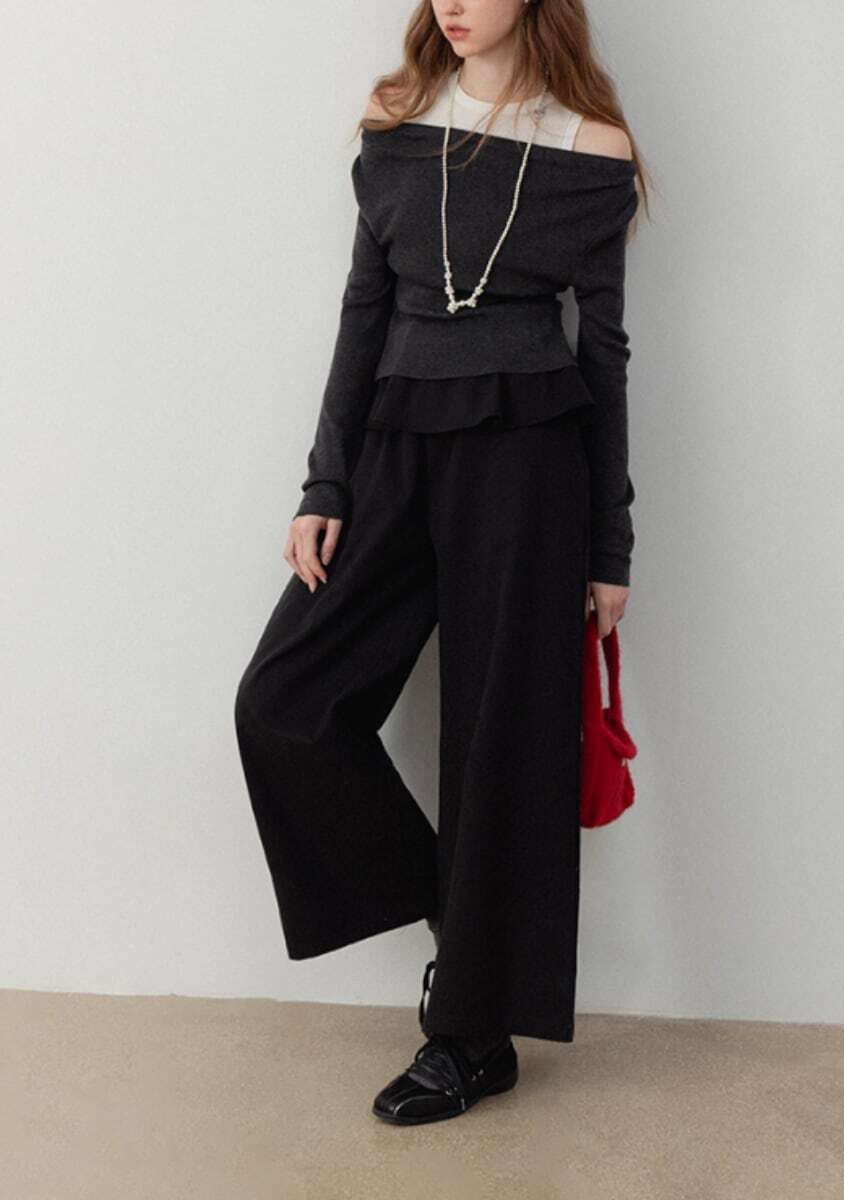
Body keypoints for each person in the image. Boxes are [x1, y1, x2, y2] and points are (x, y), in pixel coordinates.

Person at [234, 0, 647, 1126]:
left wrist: (609, 543)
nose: (449, 3)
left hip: (531, 461)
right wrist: (325, 484)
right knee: (284, 704)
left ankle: (470, 1037)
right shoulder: (398, 121)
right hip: (395, 448)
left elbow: (604, 354)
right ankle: (470, 934)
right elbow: (360, 316)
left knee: (497, 739)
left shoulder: (591, 148)